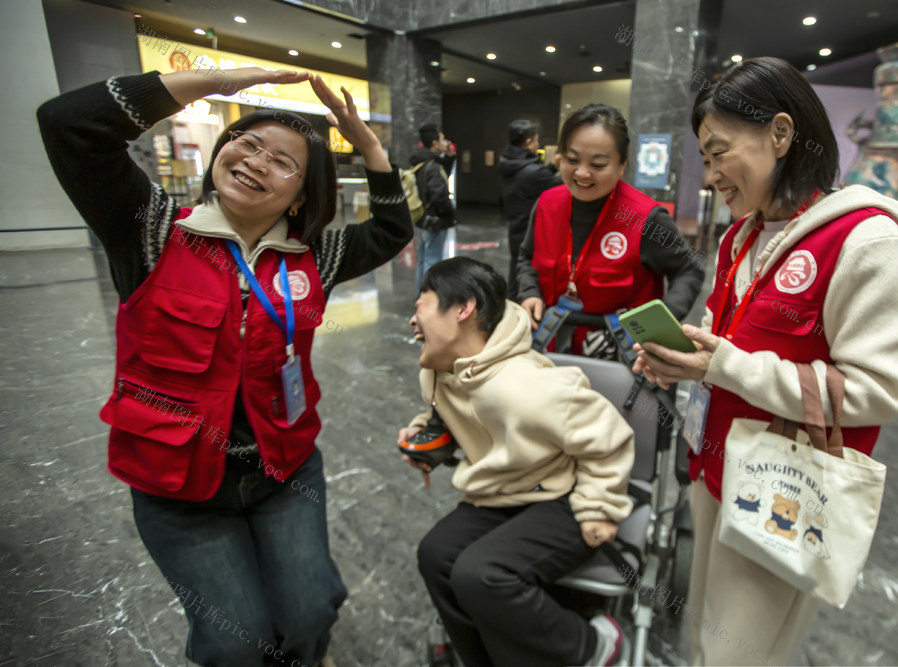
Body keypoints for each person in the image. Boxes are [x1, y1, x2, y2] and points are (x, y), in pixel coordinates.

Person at [37, 66, 412, 667]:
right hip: (178, 487)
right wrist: (214, 82)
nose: (258, 161)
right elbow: (67, 125)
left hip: (283, 473)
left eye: (283, 162)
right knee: (234, 641)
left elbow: (394, 229)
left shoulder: (313, 255)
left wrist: (368, 147)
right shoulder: (153, 231)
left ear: (303, 193)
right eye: (248, 143)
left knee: (314, 610)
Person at [632, 57, 898, 665]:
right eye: (705, 158)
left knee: (740, 654)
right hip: (715, 468)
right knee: (704, 637)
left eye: (720, 153)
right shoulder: (740, 237)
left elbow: (881, 390)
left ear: (780, 133)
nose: (712, 175)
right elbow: (721, 343)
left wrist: (726, 367)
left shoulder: (865, 242)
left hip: (785, 487)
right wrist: (681, 360)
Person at [398, 257, 635, 667]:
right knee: (436, 555)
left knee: (481, 574)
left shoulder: (525, 386)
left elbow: (608, 436)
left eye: (421, 304)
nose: (412, 320)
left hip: (562, 494)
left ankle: (591, 645)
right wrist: (427, 436)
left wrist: (600, 506)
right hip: (503, 492)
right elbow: (455, 416)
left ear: (463, 309)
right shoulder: (442, 370)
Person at [517, 103, 705, 355]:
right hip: (551, 348)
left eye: (598, 164)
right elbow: (526, 257)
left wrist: (657, 328)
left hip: (620, 355)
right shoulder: (546, 204)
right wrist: (529, 292)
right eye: (572, 159)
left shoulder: (645, 217)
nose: (582, 173)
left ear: (621, 165)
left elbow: (689, 269)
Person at [499, 119, 563, 301]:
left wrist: (551, 166)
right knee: (526, 273)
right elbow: (558, 185)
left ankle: (511, 306)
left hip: (515, 225)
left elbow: (534, 179)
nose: (538, 144)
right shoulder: (532, 172)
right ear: (528, 142)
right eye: (536, 140)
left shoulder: (507, 163)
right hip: (530, 230)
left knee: (514, 269)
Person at [409, 123, 457, 291]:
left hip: (421, 219)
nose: (447, 142)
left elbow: (440, 176)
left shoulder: (421, 161)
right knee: (432, 262)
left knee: (423, 259)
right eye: (443, 139)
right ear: (434, 143)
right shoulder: (433, 166)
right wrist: (450, 213)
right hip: (434, 221)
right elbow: (439, 195)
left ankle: (420, 294)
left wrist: (449, 157)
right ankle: (428, 299)